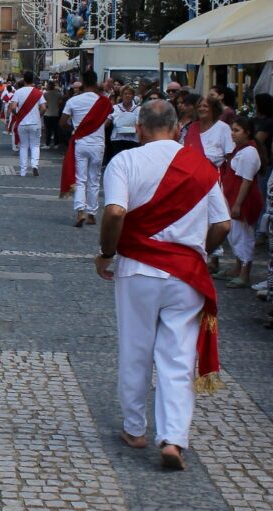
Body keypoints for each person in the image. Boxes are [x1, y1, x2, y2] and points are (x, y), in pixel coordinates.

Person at [95, 99, 230, 471]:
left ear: (138, 128)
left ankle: (135, 428)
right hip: (186, 272)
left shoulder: (125, 161)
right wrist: (200, 250)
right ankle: (173, 438)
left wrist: (107, 251)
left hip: (138, 267)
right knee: (178, 356)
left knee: (136, 346)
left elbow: (116, 211)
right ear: (176, 128)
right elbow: (222, 224)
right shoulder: (202, 167)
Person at [61, 70, 112, 227]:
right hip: (97, 143)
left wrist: (75, 130)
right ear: (96, 82)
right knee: (94, 179)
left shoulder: (74, 101)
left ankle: (80, 211)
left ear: (82, 81)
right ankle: (91, 213)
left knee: (80, 179)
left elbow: (62, 122)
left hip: (80, 142)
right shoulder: (104, 102)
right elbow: (108, 121)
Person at [219, 117, 265, 288]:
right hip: (232, 199)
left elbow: (246, 181)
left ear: (247, 133)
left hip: (242, 202)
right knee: (235, 235)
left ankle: (245, 273)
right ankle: (237, 268)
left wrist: (238, 205)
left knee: (243, 236)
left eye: (237, 130)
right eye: (232, 129)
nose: (233, 133)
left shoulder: (249, 152)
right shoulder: (240, 150)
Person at [8, 71, 46, 177]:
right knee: (35, 145)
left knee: (24, 146)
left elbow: (12, 107)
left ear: (24, 79)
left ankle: (23, 171)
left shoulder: (18, 92)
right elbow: (43, 108)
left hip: (22, 123)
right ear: (33, 80)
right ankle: (35, 165)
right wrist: (39, 116)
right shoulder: (38, 93)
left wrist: (18, 115)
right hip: (35, 123)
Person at [107, 85, 140, 162]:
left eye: (130, 93)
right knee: (119, 161)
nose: (127, 95)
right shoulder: (115, 108)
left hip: (133, 140)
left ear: (133, 96)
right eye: (125, 94)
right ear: (121, 96)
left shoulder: (138, 109)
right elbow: (107, 122)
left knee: (131, 162)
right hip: (118, 139)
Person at [43, 81, 62, 149]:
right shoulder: (58, 94)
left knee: (48, 130)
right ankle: (56, 144)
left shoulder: (45, 94)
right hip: (56, 114)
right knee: (56, 130)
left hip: (47, 114)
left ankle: (47, 144)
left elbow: (44, 104)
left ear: (48, 86)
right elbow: (60, 103)